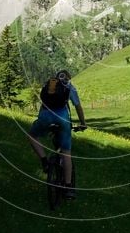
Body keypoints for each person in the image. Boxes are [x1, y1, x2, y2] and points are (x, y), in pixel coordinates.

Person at [28, 70, 86, 199]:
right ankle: (68, 187)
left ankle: (45, 162)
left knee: (32, 136)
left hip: (45, 117)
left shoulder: (49, 86)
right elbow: (78, 107)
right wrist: (83, 123)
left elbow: (43, 102)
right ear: (68, 78)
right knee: (66, 152)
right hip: (62, 119)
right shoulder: (69, 87)